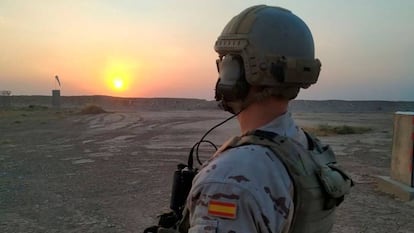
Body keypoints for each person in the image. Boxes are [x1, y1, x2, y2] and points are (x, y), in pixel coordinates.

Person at [148, 5, 353, 233]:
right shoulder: (305, 148)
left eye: (225, 61)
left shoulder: (229, 179)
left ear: (247, 69)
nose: (220, 72)